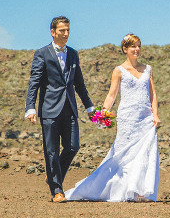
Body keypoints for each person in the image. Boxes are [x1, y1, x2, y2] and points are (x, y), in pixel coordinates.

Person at [65, 33, 161, 202]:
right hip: (127, 118)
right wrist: (103, 113)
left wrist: (156, 115)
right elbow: (111, 95)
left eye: (139, 46)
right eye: (133, 46)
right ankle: (115, 190)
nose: (137, 49)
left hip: (146, 118)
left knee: (145, 153)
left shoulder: (148, 69)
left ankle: (140, 192)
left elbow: (152, 94)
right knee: (124, 155)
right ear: (125, 49)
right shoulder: (119, 70)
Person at [25, 16, 94, 203]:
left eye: (68, 30)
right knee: (51, 151)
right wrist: (30, 108)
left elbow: (79, 83)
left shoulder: (73, 54)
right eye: (62, 30)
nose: (66, 34)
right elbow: (34, 83)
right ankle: (57, 191)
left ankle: (53, 175)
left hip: (69, 108)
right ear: (53, 32)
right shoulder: (42, 54)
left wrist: (89, 106)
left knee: (73, 146)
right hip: (49, 109)